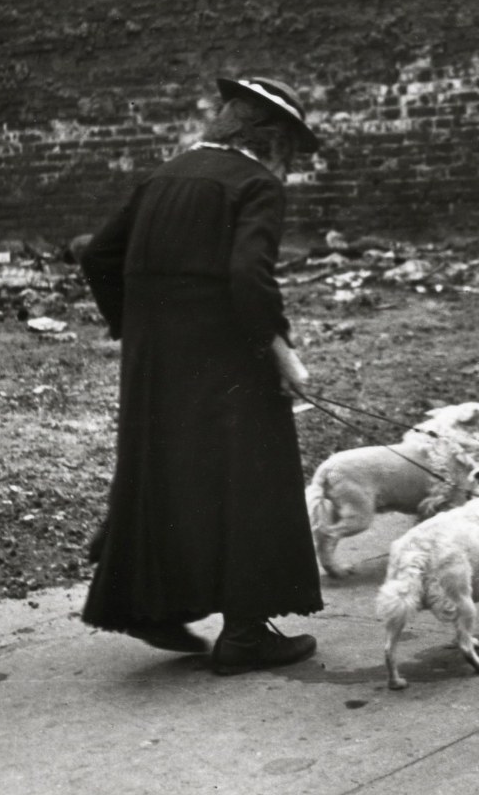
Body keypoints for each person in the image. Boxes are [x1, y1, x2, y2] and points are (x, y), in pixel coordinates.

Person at [78, 76, 324, 675]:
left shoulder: (165, 176)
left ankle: (150, 605)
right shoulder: (255, 186)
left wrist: (135, 327)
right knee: (250, 476)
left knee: (163, 476)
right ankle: (245, 634)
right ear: (267, 137)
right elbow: (248, 276)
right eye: (288, 145)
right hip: (227, 360)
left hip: (154, 365)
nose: (287, 161)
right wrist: (282, 353)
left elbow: (97, 254)